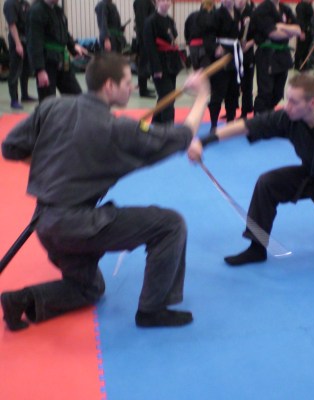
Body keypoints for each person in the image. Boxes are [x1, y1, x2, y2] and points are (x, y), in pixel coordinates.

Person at [1, 52, 210, 331]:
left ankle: (21, 300)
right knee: (171, 225)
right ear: (109, 86)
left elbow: (10, 148)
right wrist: (202, 96)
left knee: (89, 289)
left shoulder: (52, 106)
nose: (132, 87)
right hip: (77, 226)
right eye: (127, 82)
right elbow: (182, 135)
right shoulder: (116, 128)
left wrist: (55, 166)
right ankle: (152, 310)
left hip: (45, 224)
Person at [188, 73, 314, 266]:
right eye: (287, 99)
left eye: (293, 101)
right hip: (312, 177)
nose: (287, 106)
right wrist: (203, 142)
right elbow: (247, 126)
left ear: (312, 103)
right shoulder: (288, 118)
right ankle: (257, 248)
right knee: (268, 183)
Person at [27, 0, 86, 102]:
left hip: (62, 60)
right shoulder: (36, 11)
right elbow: (34, 42)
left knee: (77, 97)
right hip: (46, 62)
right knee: (48, 101)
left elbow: (64, 32)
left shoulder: (58, 10)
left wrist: (73, 46)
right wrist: (40, 70)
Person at [250, 0, 300, 114]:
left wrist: (281, 26)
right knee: (265, 92)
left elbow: (298, 30)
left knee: (278, 92)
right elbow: (273, 34)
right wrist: (289, 31)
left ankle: (268, 114)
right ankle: (259, 118)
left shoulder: (285, 8)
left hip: (283, 54)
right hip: (267, 54)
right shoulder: (262, 10)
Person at [144, 0, 183, 124]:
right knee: (168, 97)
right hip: (159, 64)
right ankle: (168, 126)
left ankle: (155, 123)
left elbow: (173, 37)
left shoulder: (170, 20)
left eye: (168, 0)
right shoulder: (150, 21)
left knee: (166, 97)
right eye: (162, 0)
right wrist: (156, 69)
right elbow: (149, 47)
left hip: (171, 64)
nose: (166, 3)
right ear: (156, 2)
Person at [207, 0, 242, 129]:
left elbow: (239, 33)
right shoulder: (216, 14)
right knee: (218, 91)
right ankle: (213, 124)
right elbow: (208, 35)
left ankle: (231, 120)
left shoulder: (238, 13)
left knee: (233, 90)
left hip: (234, 53)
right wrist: (215, 48)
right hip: (220, 55)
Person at [3, 0, 36, 110]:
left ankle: (25, 95)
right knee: (15, 71)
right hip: (16, 39)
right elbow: (12, 25)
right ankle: (14, 99)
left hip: (27, 39)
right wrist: (18, 44)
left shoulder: (24, 3)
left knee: (26, 70)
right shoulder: (10, 4)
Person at [235, 0, 255, 119]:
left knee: (247, 85)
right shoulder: (231, 12)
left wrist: (249, 44)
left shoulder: (252, 12)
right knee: (233, 84)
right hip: (233, 53)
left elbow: (259, 34)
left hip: (247, 53)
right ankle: (231, 109)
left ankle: (245, 111)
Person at [133, 0, 156, 98]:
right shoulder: (142, 2)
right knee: (143, 64)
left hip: (145, 37)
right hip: (144, 38)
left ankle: (144, 87)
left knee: (146, 63)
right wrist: (147, 38)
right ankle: (142, 90)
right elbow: (142, 21)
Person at [184, 0, 215, 71]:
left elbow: (186, 31)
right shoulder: (212, 17)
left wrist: (188, 42)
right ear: (211, 6)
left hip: (193, 47)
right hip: (205, 48)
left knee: (196, 71)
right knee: (205, 72)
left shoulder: (192, 15)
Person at [294, 0, 313, 71]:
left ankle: (304, 64)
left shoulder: (309, 5)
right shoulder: (300, 6)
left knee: (306, 48)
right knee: (301, 48)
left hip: (309, 30)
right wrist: (302, 31)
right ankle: (298, 65)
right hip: (303, 30)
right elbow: (300, 19)